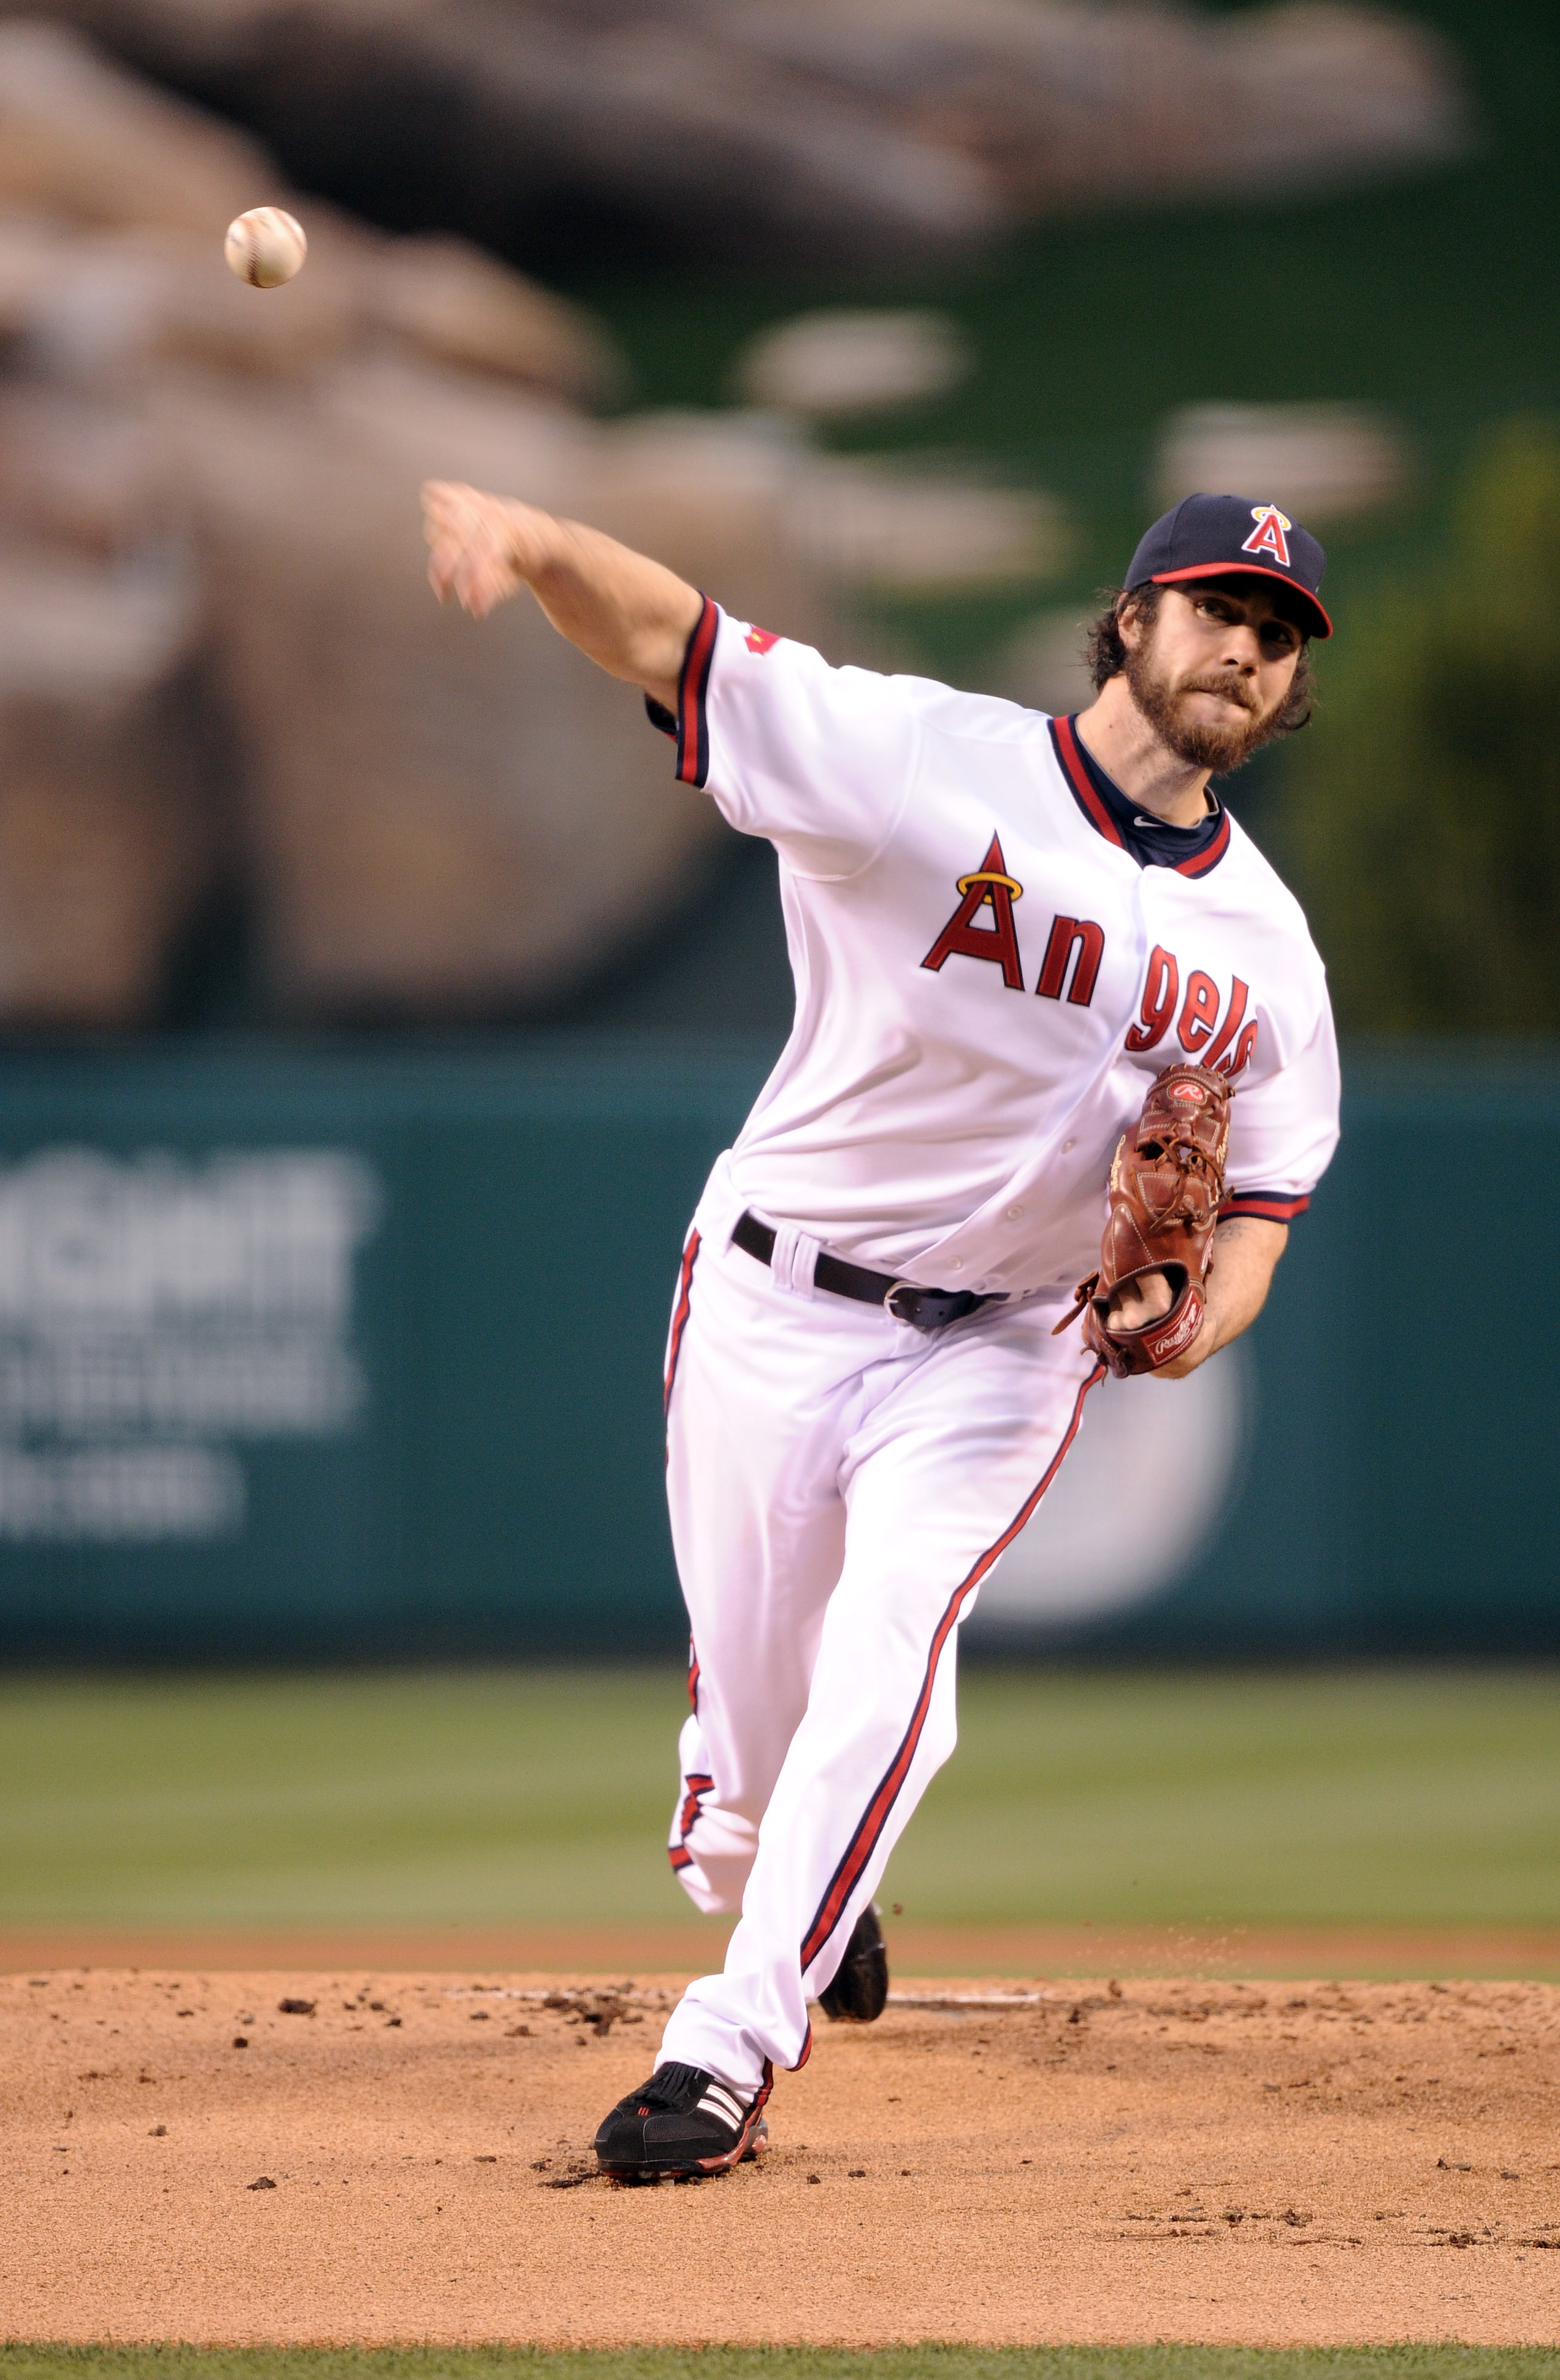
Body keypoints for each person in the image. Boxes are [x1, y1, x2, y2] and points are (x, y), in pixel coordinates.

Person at [421, 480, 1341, 2180]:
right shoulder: (922, 757)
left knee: (897, 1644)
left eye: (1279, 636)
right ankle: (783, 1864)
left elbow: (1264, 1215)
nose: (1247, 647)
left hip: (1006, 1348)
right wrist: (535, 546)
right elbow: (675, 638)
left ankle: (727, 2051)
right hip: (776, 1291)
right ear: (1131, 619)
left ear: (1290, 690)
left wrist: (1184, 1315)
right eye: (1218, 607)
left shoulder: (1270, 955)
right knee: (762, 1772)